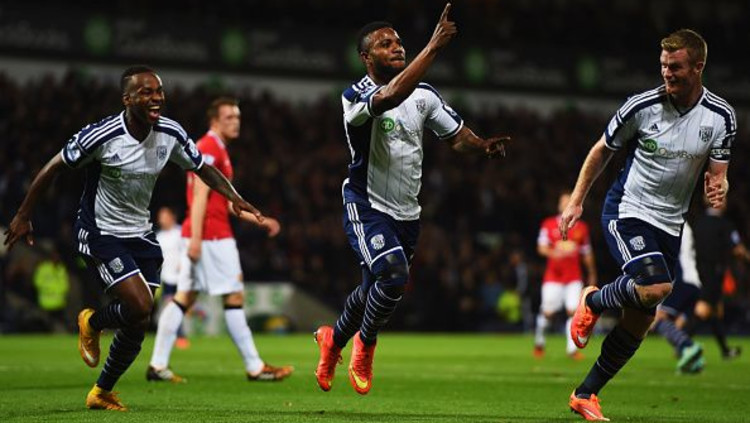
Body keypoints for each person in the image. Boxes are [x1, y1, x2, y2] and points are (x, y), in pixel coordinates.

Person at [4, 66, 264, 411]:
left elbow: (202, 167)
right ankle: (91, 322)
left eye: (159, 91)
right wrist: (23, 214)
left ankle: (101, 392)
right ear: (127, 99)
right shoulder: (102, 135)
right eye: (146, 92)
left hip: (141, 234)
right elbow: (54, 166)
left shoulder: (170, 133)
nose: (156, 98)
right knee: (141, 305)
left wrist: (234, 196)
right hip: (101, 232)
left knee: (139, 320)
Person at [314, 3, 509, 395]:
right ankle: (365, 345)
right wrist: (433, 47)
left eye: (399, 41)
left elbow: (457, 137)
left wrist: (482, 146)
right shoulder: (356, 95)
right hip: (367, 204)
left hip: (407, 213)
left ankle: (332, 341)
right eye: (385, 44)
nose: (397, 47)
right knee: (393, 274)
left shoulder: (425, 96)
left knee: (371, 290)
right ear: (366, 57)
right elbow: (390, 96)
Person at [559, 29, 735, 421]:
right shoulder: (642, 107)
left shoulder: (721, 117)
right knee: (657, 287)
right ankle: (594, 301)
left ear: (698, 67)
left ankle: (585, 393)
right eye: (663, 66)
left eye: (676, 67)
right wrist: (576, 201)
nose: (667, 73)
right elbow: (601, 150)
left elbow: (719, 174)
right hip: (628, 210)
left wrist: (719, 187)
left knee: (641, 319)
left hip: (671, 223)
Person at [147, 97, 293, 383]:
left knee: (184, 297)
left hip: (203, 233)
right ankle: (255, 366)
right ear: (214, 121)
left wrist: (259, 219)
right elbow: (200, 195)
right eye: (229, 118)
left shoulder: (216, 148)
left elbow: (225, 201)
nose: (236, 122)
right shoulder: (209, 148)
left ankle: (157, 365)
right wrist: (196, 239)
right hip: (212, 236)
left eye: (237, 117)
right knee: (234, 296)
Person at [534, 191, 597, 360]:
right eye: (564, 202)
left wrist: (592, 273)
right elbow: (541, 248)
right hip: (553, 277)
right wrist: (554, 252)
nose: (566, 204)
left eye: (569, 201)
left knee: (573, 311)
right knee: (548, 312)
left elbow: (587, 252)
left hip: (574, 277)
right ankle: (539, 342)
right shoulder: (548, 224)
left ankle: (572, 350)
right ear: (559, 205)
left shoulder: (581, 228)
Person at [688, 201, 750, 359]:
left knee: (716, 311)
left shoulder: (699, 223)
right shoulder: (725, 224)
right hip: (715, 272)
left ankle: (725, 350)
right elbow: (737, 249)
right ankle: (681, 342)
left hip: (699, 270)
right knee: (703, 309)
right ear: (720, 204)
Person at [652, 222, 704, 374]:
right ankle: (694, 362)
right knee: (677, 325)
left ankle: (689, 346)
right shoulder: (687, 226)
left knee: (657, 319)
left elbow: (673, 258)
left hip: (682, 281)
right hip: (694, 281)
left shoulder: (673, 224)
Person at [154, 206, 190, 349]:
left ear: (171, 217)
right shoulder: (159, 236)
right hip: (165, 279)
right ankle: (178, 335)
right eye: (160, 217)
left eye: (164, 216)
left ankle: (179, 334)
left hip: (181, 277)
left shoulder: (180, 232)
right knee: (171, 307)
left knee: (177, 306)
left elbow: (187, 250)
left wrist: (183, 263)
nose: (161, 219)